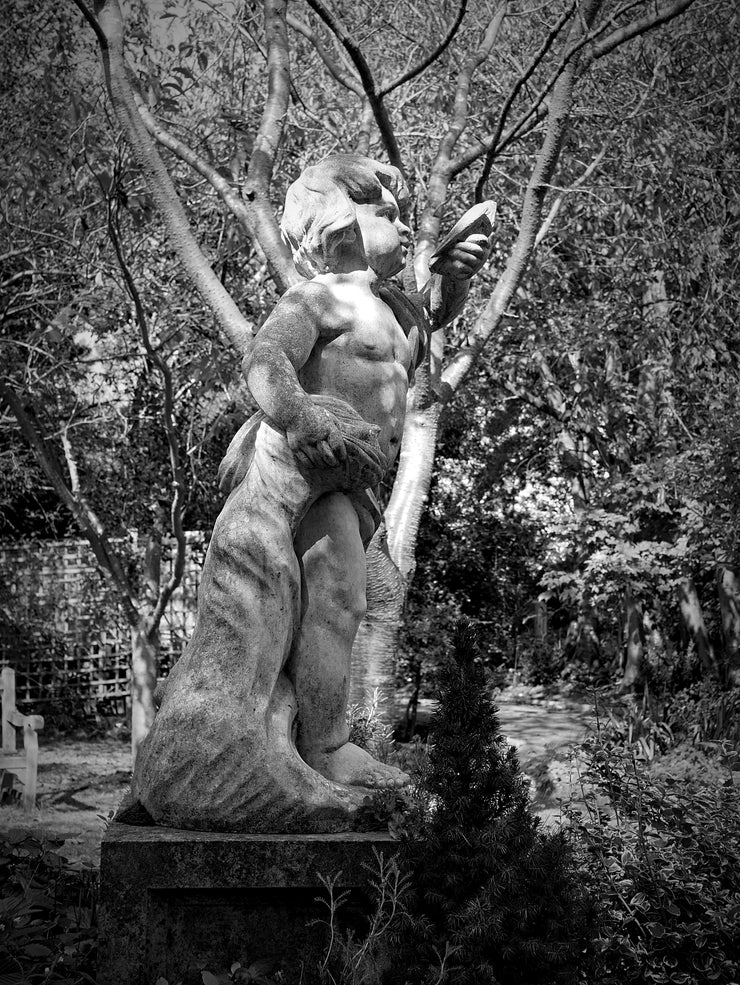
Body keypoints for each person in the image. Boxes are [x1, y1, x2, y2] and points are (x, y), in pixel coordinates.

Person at [128, 154, 491, 833]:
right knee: (336, 599)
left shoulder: (394, 308)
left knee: (338, 602)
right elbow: (265, 359)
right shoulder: (320, 297)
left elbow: (427, 326)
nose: (404, 223)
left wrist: (454, 278)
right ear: (342, 221)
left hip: (355, 487)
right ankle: (324, 746)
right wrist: (299, 414)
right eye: (390, 212)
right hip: (310, 471)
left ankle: (321, 741)